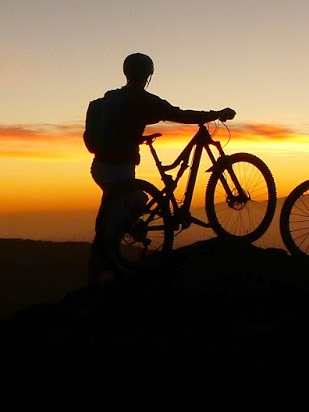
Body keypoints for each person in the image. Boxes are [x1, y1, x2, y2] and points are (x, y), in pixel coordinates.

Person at [88, 51, 235, 284]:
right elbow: (179, 114)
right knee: (135, 202)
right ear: (148, 75)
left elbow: (118, 128)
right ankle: (109, 257)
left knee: (111, 210)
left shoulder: (113, 98)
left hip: (100, 166)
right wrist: (215, 114)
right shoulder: (143, 99)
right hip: (120, 168)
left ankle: (103, 263)